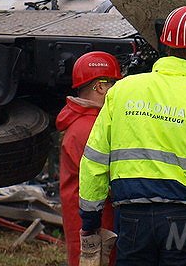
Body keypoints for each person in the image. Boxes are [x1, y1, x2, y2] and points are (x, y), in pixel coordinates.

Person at [80, 6, 186, 266]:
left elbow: (94, 160)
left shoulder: (123, 91)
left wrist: (90, 220)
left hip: (132, 216)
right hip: (185, 220)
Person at [57, 51, 122, 266]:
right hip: (95, 226)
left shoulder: (82, 122)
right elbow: (109, 182)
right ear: (100, 87)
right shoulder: (89, 128)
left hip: (88, 223)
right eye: (113, 84)